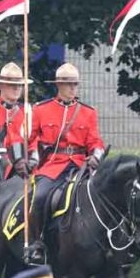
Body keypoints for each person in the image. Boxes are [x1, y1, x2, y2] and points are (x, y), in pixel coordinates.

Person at [24, 63, 105, 264]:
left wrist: (96, 156)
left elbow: (96, 141)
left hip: (80, 164)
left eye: (75, 84)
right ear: (58, 85)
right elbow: (31, 139)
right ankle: (37, 243)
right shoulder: (42, 109)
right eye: (68, 84)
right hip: (53, 164)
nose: (72, 88)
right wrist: (34, 157)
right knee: (40, 196)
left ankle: (107, 242)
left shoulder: (88, 112)